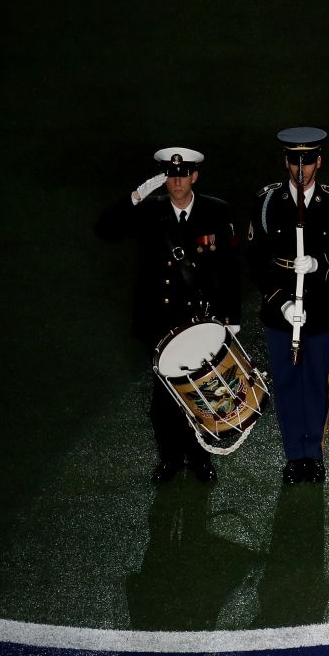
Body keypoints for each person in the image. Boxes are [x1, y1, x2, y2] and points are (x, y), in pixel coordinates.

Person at [96, 147, 240, 483]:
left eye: (182, 174)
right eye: (170, 175)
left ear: (194, 176)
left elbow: (231, 269)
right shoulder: (149, 211)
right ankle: (171, 458)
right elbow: (104, 230)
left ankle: (200, 458)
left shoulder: (216, 211)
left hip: (201, 320)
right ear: (164, 178)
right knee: (165, 395)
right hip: (159, 320)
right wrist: (134, 197)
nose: (176, 181)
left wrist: (231, 317)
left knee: (202, 390)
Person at [246, 127, 329, 485]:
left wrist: (319, 264)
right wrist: (280, 304)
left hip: (321, 307)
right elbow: (255, 260)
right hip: (280, 309)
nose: (300, 168)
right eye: (294, 160)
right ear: (285, 162)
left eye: (307, 161)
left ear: (318, 162)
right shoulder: (266, 202)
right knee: (286, 382)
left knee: (316, 382)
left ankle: (314, 454)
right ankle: (294, 455)